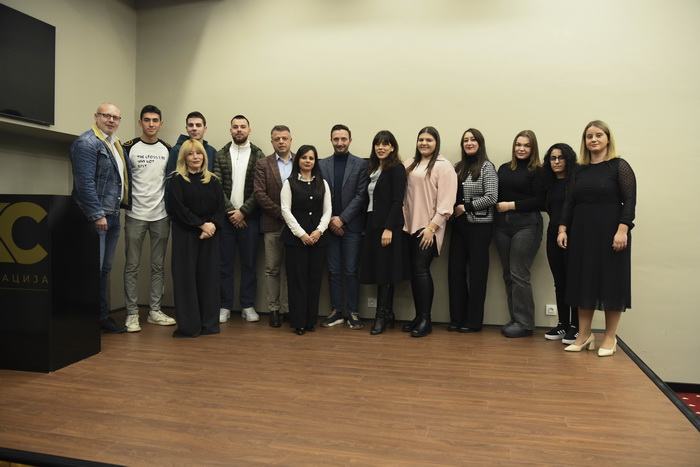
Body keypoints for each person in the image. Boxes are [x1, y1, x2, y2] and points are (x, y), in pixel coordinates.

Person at [558, 120, 636, 356]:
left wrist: (623, 229)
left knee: (612, 283)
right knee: (583, 281)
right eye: (589, 136)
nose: (593, 139)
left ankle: (610, 337)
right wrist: (562, 228)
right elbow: (569, 201)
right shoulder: (579, 170)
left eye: (598, 135)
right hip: (582, 232)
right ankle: (584, 335)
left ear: (607, 138)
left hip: (611, 232)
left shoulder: (619, 166)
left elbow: (629, 200)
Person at [69, 103, 131, 334]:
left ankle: (101, 317)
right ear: (96, 116)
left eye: (116, 117)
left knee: (103, 270)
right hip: (96, 217)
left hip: (112, 214)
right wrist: (97, 214)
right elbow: (84, 183)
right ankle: (84, 320)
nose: (111, 120)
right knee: (91, 270)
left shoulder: (115, 144)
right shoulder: (87, 143)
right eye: (107, 116)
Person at [121, 105, 176, 332]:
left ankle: (154, 311)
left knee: (158, 266)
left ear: (161, 124)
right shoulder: (128, 148)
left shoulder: (168, 150)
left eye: (155, 120)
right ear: (140, 122)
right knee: (131, 266)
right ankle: (132, 314)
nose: (151, 124)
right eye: (146, 120)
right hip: (135, 215)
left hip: (160, 215)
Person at [402, 126, 458, 337]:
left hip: (427, 228)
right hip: (407, 227)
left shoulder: (444, 167)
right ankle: (418, 317)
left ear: (436, 143)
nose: (424, 143)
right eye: (421, 140)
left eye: (429, 140)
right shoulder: (410, 163)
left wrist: (431, 228)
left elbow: (447, 203)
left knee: (421, 270)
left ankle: (426, 319)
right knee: (414, 273)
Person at [168, 139, 226, 338]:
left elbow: (220, 207)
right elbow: (178, 208)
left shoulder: (213, 180)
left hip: (210, 235)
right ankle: (190, 327)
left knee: (209, 279)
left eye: (199, 153)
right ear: (184, 157)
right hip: (185, 234)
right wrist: (201, 225)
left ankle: (209, 324)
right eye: (190, 154)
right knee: (186, 279)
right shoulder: (177, 180)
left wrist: (212, 226)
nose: (195, 157)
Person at [213, 115, 265, 324]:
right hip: (226, 220)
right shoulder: (221, 154)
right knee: (224, 265)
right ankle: (224, 306)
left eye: (243, 127)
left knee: (249, 265)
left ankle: (247, 305)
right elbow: (216, 186)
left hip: (250, 219)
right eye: (235, 127)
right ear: (230, 130)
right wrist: (232, 213)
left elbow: (259, 189)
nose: (239, 130)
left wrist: (243, 212)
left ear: (249, 130)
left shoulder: (258, 155)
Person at [495, 130, 545, 338]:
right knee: (508, 274)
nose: (521, 149)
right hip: (502, 226)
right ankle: (515, 319)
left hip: (527, 224)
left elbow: (540, 201)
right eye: (518, 144)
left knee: (518, 273)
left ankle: (525, 324)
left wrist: (511, 205)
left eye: (526, 145)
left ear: (533, 148)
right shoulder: (504, 168)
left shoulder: (538, 171)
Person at [318, 124, 369, 330]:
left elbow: (361, 195)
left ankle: (353, 312)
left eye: (343, 139)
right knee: (333, 271)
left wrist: (343, 219)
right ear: (331, 140)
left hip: (352, 227)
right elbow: (319, 194)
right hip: (329, 226)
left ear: (350, 140)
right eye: (336, 139)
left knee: (350, 271)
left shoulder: (361, 164)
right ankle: (336, 310)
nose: (340, 143)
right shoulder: (322, 164)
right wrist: (332, 221)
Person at [447, 129, 498, 333]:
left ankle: (473, 321)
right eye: (465, 140)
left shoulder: (487, 167)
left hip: (480, 227)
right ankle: (457, 318)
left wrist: (466, 207)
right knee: (455, 273)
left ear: (480, 143)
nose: (469, 143)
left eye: (473, 140)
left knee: (477, 275)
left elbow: (492, 197)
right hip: (458, 226)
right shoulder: (456, 167)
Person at [359, 131, 409, 335]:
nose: (381, 148)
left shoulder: (396, 168)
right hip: (372, 223)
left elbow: (398, 200)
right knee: (380, 268)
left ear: (392, 147)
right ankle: (388, 313)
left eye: (385, 144)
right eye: (377, 144)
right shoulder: (372, 168)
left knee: (385, 271)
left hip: (388, 226)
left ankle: (381, 316)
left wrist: (389, 228)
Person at [280, 145, 331, 335]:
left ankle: (310, 321)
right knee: (297, 281)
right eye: (304, 158)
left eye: (311, 158)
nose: (307, 161)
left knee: (314, 280)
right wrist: (301, 234)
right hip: (295, 240)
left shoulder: (322, 183)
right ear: (298, 160)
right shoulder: (289, 183)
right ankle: (298, 322)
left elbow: (328, 210)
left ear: (315, 161)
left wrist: (319, 231)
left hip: (318, 239)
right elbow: (285, 210)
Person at [254, 125, 294, 327]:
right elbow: (259, 194)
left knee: (291, 269)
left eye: (284, 138)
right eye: (277, 138)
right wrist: (281, 213)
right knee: (272, 269)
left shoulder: (301, 161)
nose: (281, 142)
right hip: (272, 223)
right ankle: (274, 309)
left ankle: (288, 308)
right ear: (272, 141)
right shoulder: (263, 163)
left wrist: (292, 218)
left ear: (290, 140)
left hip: (296, 226)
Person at [542, 143, 579, 344]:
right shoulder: (549, 182)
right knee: (560, 281)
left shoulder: (575, 181)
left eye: (561, 157)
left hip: (573, 235)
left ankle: (576, 326)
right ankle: (563, 324)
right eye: (553, 158)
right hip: (552, 233)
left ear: (568, 160)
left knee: (574, 280)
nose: (556, 162)